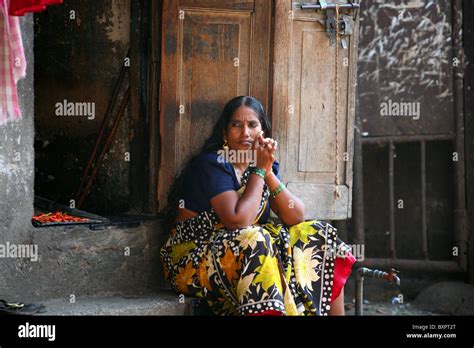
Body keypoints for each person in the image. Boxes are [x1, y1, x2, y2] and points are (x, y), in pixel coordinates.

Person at [160, 96, 356, 316]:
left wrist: (268, 171)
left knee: (317, 232)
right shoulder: (214, 164)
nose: (245, 133)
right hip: (192, 257)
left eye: (252, 125)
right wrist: (259, 170)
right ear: (224, 134)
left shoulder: (263, 165)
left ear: (263, 133)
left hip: (242, 249)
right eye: (236, 125)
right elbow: (237, 220)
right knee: (257, 240)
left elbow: (296, 216)